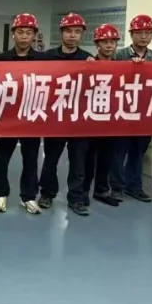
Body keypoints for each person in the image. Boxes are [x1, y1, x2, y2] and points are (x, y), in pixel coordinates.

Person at [0, 13, 46, 214]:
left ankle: (29, 196)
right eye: (20, 32)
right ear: (13, 34)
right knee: (1, 158)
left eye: (28, 33)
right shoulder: (1, 59)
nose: (24, 36)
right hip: (8, 117)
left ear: (34, 36)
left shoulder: (43, 60)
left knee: (31, 159)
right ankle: (0, 194)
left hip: (32, 117)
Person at [40, 12, 93, 216]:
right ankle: (47, 193)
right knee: (50, 160)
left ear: (81, 35)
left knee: (78, 163)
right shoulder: (47, 57)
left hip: (79, 120)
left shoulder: (88, 60)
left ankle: (76, 198)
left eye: (77, 32)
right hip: (55, 118)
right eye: (69, 31)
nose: (72, 35)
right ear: (61, 33)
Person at [112, 14, 152, 203]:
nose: (144, 37)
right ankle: (116, 186)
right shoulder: (119, 56)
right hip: (122, 112)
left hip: (145, 113)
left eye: (148, 33)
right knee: (119, 151)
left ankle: (134, 186)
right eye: (139, 33)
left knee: (138, 152)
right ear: (131, 34)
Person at [85, 24, 122, 207]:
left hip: (111, 120)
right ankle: (83, 191)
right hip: (90, 120)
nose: (108, 45)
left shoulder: (122, 67)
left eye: (112, 42)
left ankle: (101, 190)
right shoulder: (87, 64)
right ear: (97, 44)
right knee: (88, 159)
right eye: (104, 42)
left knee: (107, 158)